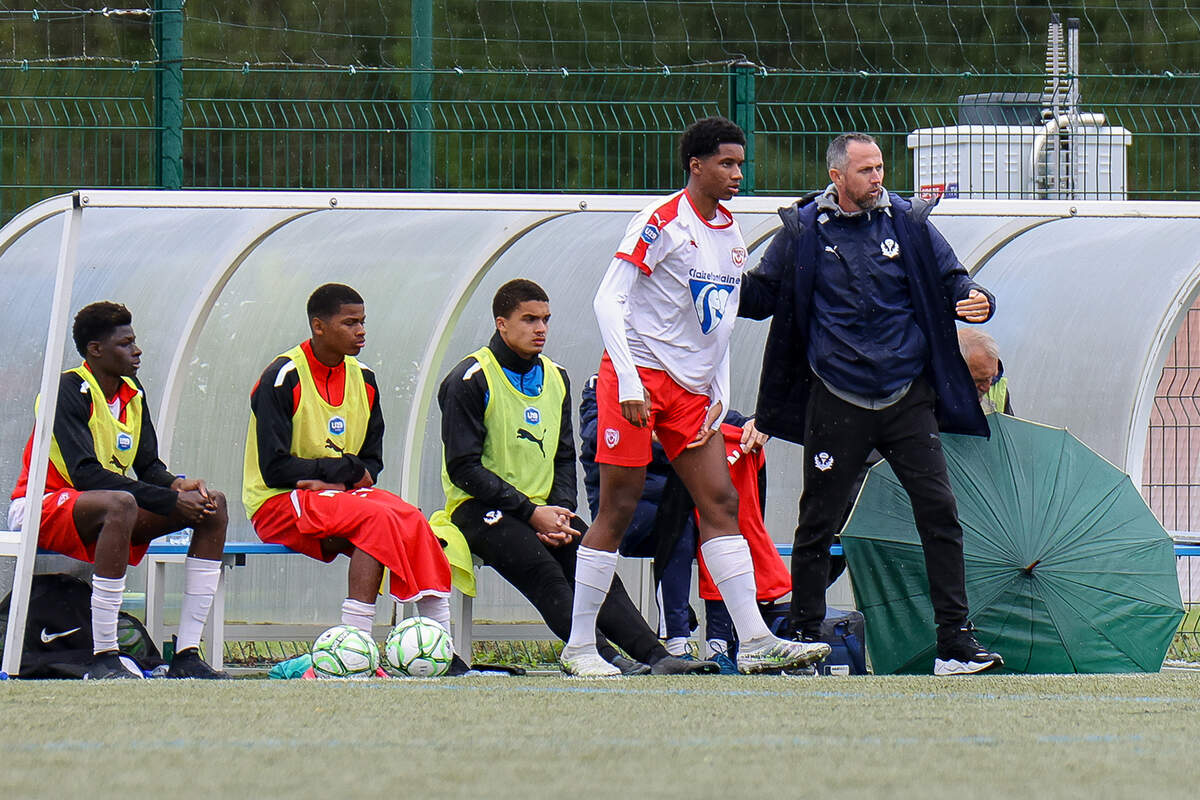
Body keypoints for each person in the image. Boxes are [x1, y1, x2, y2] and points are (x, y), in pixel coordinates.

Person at [561, 115, 831, 676]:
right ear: (696, 165)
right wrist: (631, 381)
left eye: (741, 163)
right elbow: (608, 301)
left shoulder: (729, 232)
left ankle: (754, 640)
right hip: (636, 379)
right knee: (618, 505)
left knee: (721, 502)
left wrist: (719, 390)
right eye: (727, 163)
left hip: (691, 392)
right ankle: (580, 647)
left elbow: (720, 322)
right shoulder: (659, 222)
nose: (738, 173)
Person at [740, 132, 1005, 676]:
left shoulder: (908, 222)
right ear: (837, 176)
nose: (878, 178)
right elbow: (762, 295)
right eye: (865, 170)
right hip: (836, 397)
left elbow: (954, 279)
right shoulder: (803, 230)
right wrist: (708, 278)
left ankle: (955, 644)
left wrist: (976, 298)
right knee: (818, 522)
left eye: (881, 167)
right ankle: (805, 641)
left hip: (908, 396)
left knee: (940, 513)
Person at [434, 278, 714, 676]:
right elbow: (463, 469)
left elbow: (565, 456)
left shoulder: (556, 376)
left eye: (545, 319)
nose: (541, 329)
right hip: (481, 510)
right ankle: (596, 654)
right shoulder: (470, 378)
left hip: (544, 512)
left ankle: (655, 656)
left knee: (593, 563)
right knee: (544, 572)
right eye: (529, 319)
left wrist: (560, 512)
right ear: (502, 324)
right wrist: (531, 513)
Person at [10, 301, 229, 679]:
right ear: (96, 350)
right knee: (120, 503)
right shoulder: (66, 389)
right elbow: (85, 475)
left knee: (215, 505)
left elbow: (148, 468)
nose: (137, 350)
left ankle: (188, 655)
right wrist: (170, 499)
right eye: (125, 343)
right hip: (41, 503)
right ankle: (105, 654)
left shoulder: (132, 391)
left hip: (110, 504)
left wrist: (178, 485)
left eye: (134, 341)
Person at [244, 283, 459, 667]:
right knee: (375, 518)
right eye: (350, 322)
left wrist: (336, 482)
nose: (361, 331)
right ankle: (354, 648)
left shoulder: (365, 378)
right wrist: (341, 473)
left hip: (337, 497)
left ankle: (442, 643)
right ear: (319, 326)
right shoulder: (283, 376)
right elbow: (275, 468)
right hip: (277, 504)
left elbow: (371, 463)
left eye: (363, 322)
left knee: (409, 516)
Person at [579, 379, 787, 673]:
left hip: (684, 509)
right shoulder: (606, 383)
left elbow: (723, 424)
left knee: (711, 520)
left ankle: (721, 645)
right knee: (685, 520)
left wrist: (757, 424)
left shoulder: (683, 383)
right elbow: (603, 439)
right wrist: (683, 441)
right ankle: (676, 641)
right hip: (628, 513)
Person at [957, 327, 1013, 414]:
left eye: (992, 377)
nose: (987, 388)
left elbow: (1008, 427)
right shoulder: (931, 394)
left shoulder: (999, 391)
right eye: (979, 380)